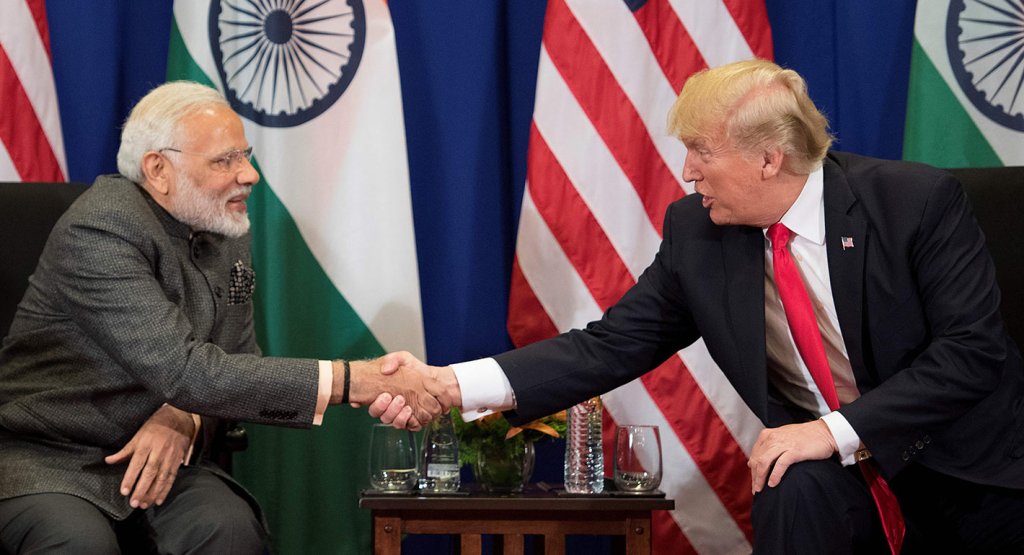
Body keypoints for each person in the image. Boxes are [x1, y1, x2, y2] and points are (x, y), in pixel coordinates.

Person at [386, 60, 1024, 553]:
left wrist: (829, 430)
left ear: (769, 158)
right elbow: (608, 346)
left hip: (968, 465)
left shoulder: (914, 203)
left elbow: (970, 353)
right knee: (789, 482)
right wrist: (449, 384)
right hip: (837, 471)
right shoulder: (699, 234)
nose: (688, 172)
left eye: (702, 152)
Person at [0, 81, 445, 554]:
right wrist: (354, 381)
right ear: (158, 169)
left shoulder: (223, 225)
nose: (249, 175)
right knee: (78, 544)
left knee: (227, 529)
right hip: (52, 456)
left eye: (245, 156)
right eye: (224, 161)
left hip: (167, 452)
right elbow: (186, 370)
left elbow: (237, 358)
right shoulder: (101, 229)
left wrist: (185, 417)